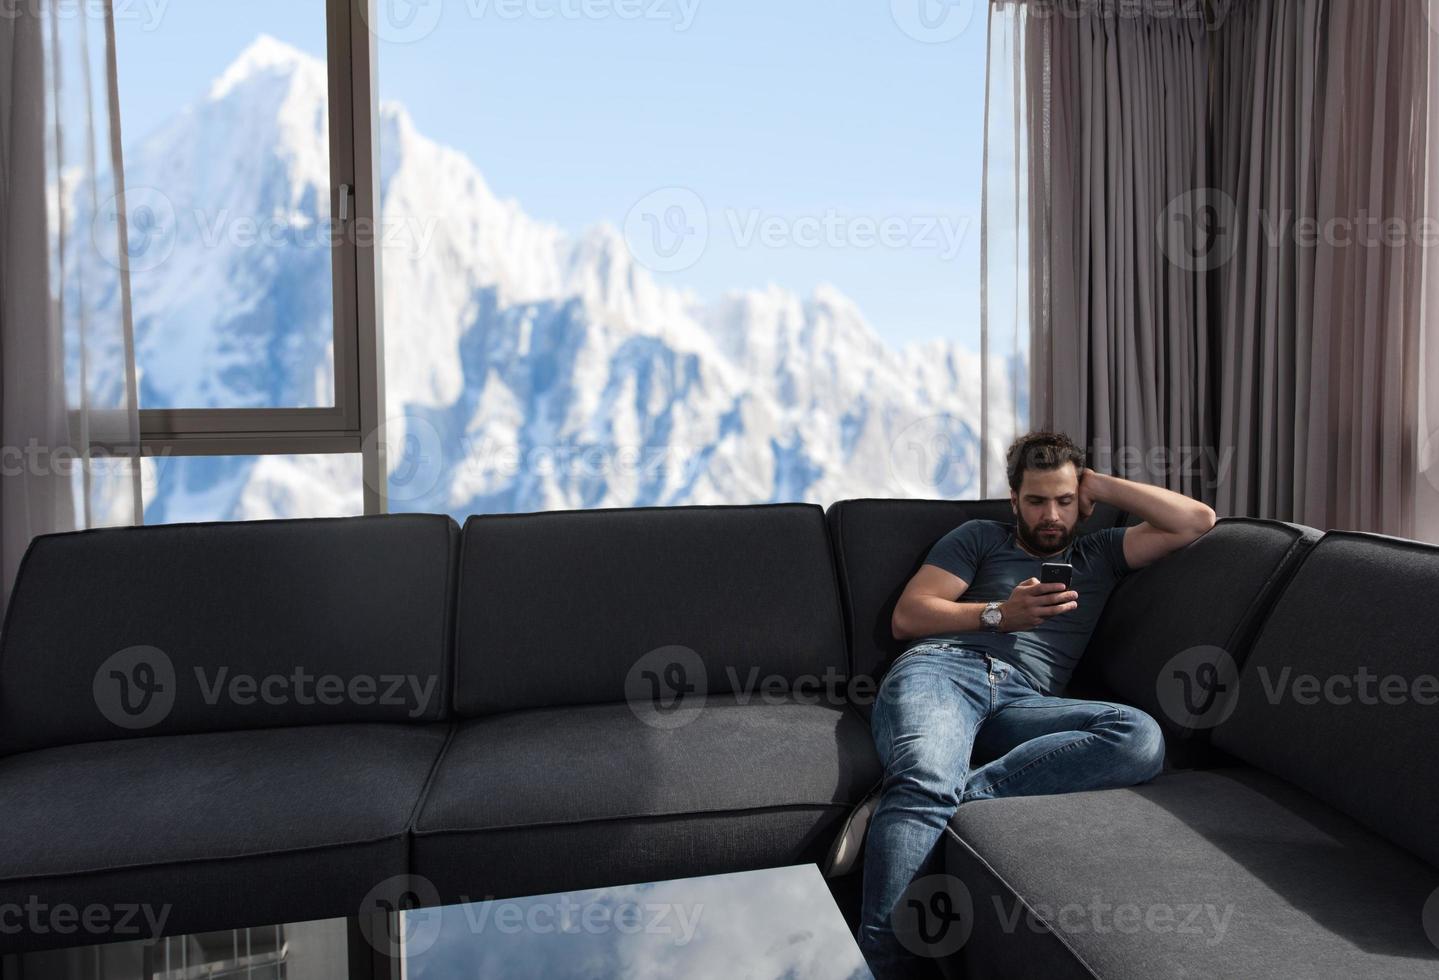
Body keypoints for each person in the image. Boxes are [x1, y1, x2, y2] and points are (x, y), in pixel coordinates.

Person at [856, 431, 1218, 977]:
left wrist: (1097, 481)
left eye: (1065, 500)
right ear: (1013, 500)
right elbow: (909, 617)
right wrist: (1001, 614)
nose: (1051, 514)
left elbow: (1196, 520)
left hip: (1024, 701)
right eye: (1036, 500)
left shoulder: (1099, 551)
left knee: (1140, 736)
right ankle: (886, 967)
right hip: (943, 671)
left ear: (1083, 500)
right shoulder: (979, 537)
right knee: (928, 772)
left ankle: (916, 806)